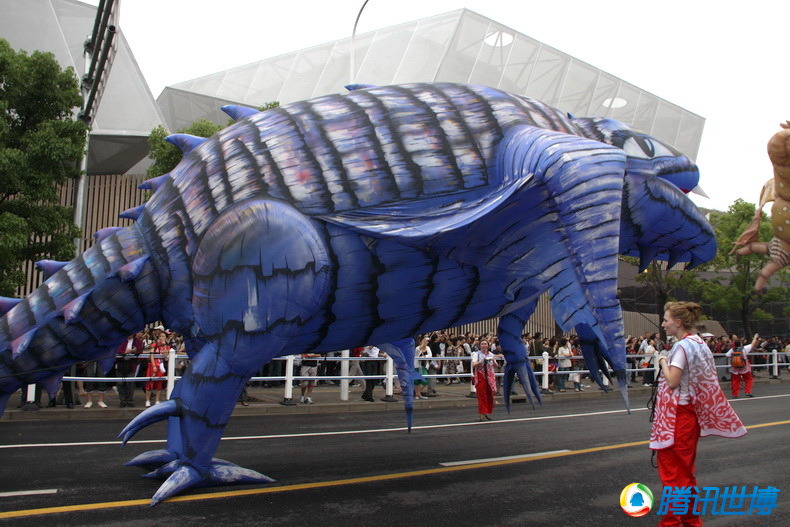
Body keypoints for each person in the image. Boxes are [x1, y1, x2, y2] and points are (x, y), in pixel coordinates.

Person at [651, 302, 747, 527]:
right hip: (689, 415)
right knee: (685, 472)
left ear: (678, 322)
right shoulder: (700, 343)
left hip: (677, 416)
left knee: (673, 475)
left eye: (666, 320)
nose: (663, 324)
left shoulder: (682, 347)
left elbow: (673, 381)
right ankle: (691, 521)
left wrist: (663, 361)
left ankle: (672, 522)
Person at [471, 339, 497, 421]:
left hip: (489, 377)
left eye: (485, 344)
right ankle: (482, 413)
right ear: (480, 345)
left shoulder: (491, 354)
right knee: (482, 395)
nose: (483, 345)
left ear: (488, 345)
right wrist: (480, 362)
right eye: (482, 344)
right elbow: (473, 365)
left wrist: (493, 360)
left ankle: (486, 412)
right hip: (480, 376)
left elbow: (496, 365)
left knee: (489, 395)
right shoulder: (476, 354)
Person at [116, 332, 144, 407]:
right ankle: (122, 400)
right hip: (121, 363)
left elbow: (140, 351)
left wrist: (135, 351)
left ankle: (129, 400)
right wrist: (124, 352)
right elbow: (117, 350)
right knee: (120, 383)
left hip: (131, 364)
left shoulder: (137, 341)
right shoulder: (121, 340)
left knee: (130, 383)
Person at [144, 330, 170, 407]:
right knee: (149, 382)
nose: (161, 338)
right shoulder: (155, 344)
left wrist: (165, 346)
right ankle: (147, 400)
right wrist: (154, 365)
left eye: (163, 336)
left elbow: (165, 356)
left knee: (159, 383)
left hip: (161, 366)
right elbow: (151, 355)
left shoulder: (167, 346)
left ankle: (157, 400)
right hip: (153, 365)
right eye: (160, 336)